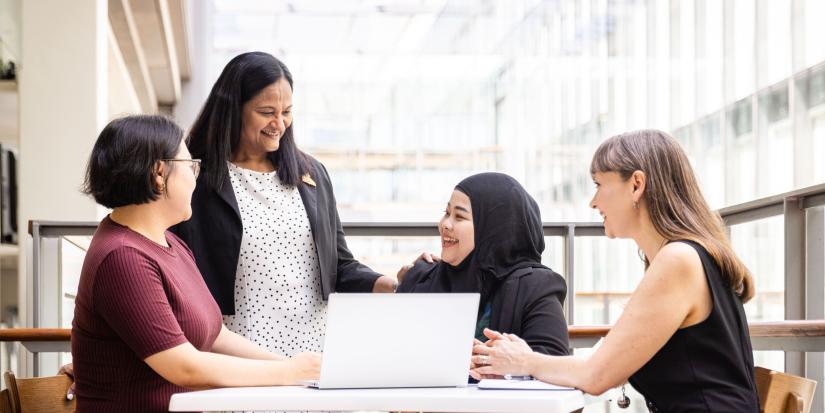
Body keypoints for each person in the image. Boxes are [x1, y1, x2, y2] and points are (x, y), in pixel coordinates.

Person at [471, 130, 759, 412]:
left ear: (636, 185)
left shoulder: (678, 260)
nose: (593, 202)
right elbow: (612, 366)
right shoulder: (682, 257)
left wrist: (525, 361)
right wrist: (526, 359)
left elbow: (597, 377)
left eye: (598, 184)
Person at [72, 115, 320, 413]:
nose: (196, 177)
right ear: (159, 173)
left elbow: (215, 335)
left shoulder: (169, 243)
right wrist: (289, 374)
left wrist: (296, 368)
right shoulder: (122, 257)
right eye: (191, 166)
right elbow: (184, 367)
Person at [170, 52, 403, 356]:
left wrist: (396, 286)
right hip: (236, 357)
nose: (279, 124)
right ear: (233, 109)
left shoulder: (312, 174)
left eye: (287, 112)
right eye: (266, 112)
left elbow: (340, 267)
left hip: (312, 355)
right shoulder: (196, 180)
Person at [398, 172, 569, 356]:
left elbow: (552, 360)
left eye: (459, 217)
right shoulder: (421, 277)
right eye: (447, 213)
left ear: (493, 228)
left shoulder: (534, 287)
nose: (445, 224)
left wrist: (502, 365)